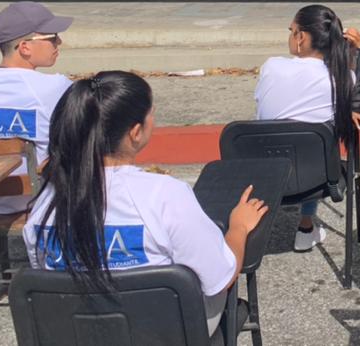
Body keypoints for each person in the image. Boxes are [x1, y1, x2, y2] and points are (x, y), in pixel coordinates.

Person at [23, 71, 268, 337]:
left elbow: (45, 282)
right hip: (160, 333)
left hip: (77, 332)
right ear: (135, 133)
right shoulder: (165, 195)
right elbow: (220, 278)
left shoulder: (45, 203)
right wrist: (238, 228)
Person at [255, 4, 360, 253]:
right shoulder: (342, 78)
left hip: (264, 173)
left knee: (293, 141)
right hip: (317, 179)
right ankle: (306, 226)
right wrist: (351, 51)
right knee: (311, 147)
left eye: (291, 30)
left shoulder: (271, 66)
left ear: (301, 37)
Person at [0, 1, 74, 214]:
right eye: (51, 37)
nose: (59, 42)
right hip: (38, 194)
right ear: (25, 47)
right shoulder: (54, 86)